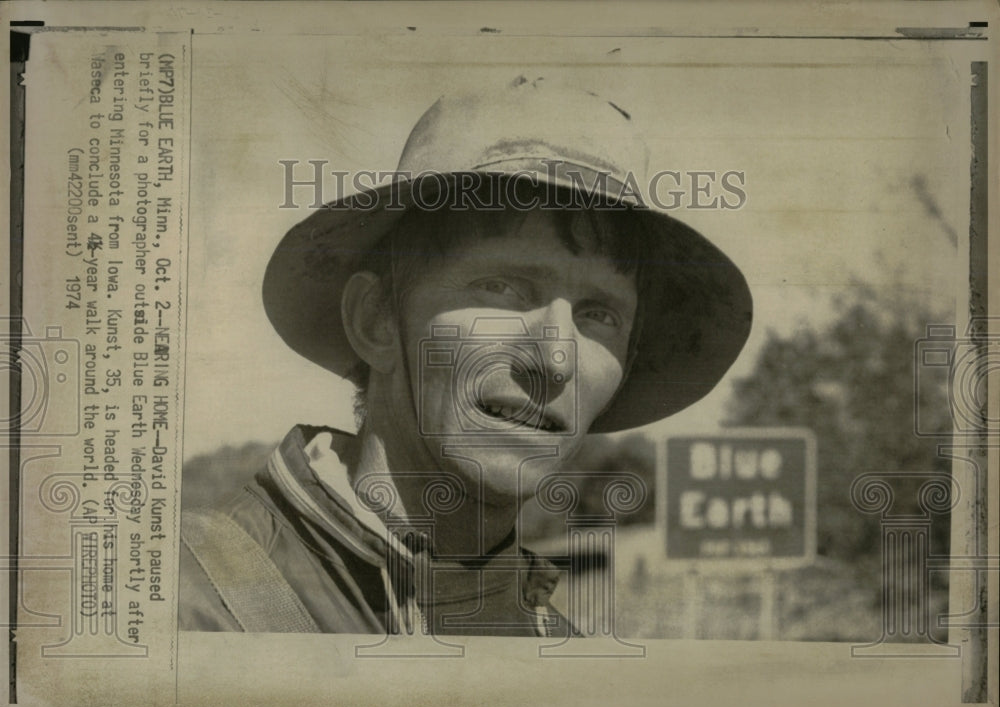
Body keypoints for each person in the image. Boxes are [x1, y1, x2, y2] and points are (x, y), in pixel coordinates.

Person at [178, 75, 753, 636]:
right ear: (375, 319)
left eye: (598, 316)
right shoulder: (185, 606)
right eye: (501, 289)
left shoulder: (565, 663)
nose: (555, 360)